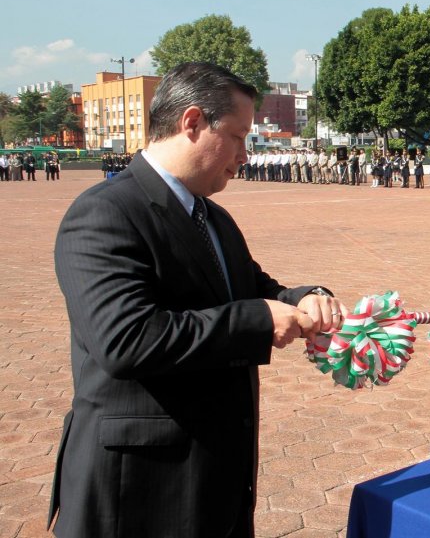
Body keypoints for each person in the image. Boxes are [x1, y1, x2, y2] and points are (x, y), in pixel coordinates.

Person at [47, 62, 348, 538]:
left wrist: (307, 297)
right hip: (140, 489)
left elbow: (254, 288)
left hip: (216, 481)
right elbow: (126, 340)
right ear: (192, 123)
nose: (245, 154)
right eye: (238, 135)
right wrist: (256, 321)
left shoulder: (213, 217)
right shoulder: (105, 212)